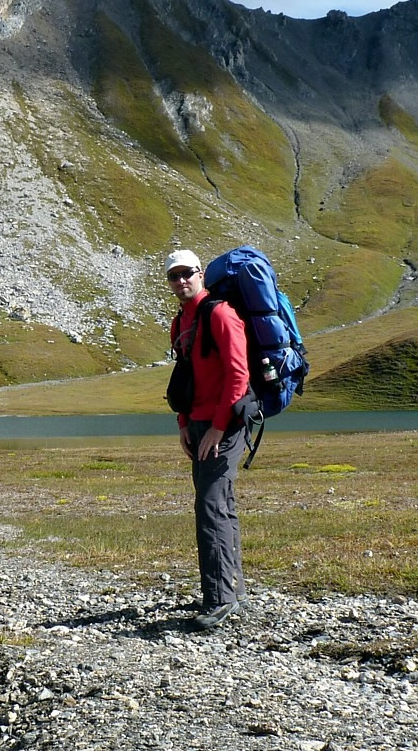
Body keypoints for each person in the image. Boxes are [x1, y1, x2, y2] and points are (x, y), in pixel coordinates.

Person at [165, 249, 251, 631]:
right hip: (198, 424)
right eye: (174, 276)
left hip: (225, 425)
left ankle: (219, 599)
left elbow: (238, 374)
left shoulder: (219, 313)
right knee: (219, 503)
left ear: (201, 274)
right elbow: (184, 376)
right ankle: (233, 590)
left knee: (210, 506)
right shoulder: (180, 321)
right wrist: (184, 423)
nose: (181, 281)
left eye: (187, 273)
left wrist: (218, 426)